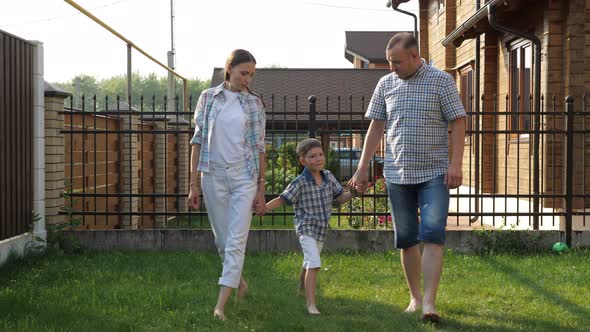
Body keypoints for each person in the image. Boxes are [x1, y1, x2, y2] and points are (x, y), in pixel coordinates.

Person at [348, 32, 466, 323]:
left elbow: (459, 121)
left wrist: (456, 164)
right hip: (397, 174)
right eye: (389, 62)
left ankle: (429, 302)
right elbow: (376, 126)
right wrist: (363, 167)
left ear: (415, 56)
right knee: (406, 239)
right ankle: (415, 297)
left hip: (434, 174)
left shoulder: (441, 81)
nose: (392, 67)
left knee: (433, 232)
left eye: (396, 62)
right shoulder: (386, 83)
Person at [186, 49, 266, 321]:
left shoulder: (254, 103)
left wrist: (260, 188)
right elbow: (196, 142)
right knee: (222, 240)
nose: (248, 79)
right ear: (229, 69)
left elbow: (260, 148)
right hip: (213, 176)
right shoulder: (208, 98)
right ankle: (239, 282)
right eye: (244, 73)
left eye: (252, 75)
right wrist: (193, 184)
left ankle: (220, 305)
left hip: (244, 176)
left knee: (236, 241)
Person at [264, 138, 356, 315]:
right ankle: (311, 304)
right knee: (314, 263)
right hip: (305, 228)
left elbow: (339, 198)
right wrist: (264, 208)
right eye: (312, 156)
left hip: (321, 229)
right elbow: (283, 199)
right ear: (303, 160)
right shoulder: (300, 182)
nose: (319, 159)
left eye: (320, 154)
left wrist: (353, 192)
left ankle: (300, 288)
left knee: (309, 262)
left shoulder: (328, 177)